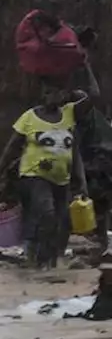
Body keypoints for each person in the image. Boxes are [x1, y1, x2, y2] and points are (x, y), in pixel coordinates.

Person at [0, 80, 92, 268]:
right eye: (49, 92)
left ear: (64, 95)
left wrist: (86, 64)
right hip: (33, 175)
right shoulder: (30, 117)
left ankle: (44, 258)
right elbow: (12, 148)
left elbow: (74, 152)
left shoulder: (69, 114)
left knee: (61, 220)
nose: (53, 96)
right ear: (43, 95)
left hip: (61, 179)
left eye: (58, 92)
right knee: (47, 213)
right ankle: (41, 261)